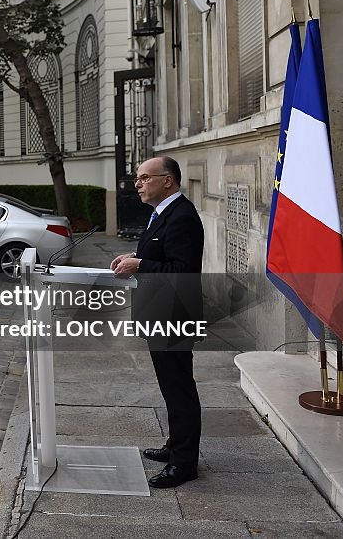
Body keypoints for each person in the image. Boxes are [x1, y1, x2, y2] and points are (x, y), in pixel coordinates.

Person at [110, 156, 204, 489]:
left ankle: (184, 464)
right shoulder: (161, 213)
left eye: (144, 178)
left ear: (168, 180)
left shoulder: (182, 217)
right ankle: (176, 446)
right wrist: (133, 259)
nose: (138, 183)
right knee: (170, 387)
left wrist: (140, 265)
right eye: (137, 178)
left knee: (180, 391)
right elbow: (158, 256)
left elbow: (182, 271)